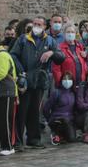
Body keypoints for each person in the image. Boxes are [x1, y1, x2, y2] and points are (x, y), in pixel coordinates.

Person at [11, 16, 65, 149]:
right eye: (35, 24)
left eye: (39, 24)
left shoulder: (49, 40)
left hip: (40, 80)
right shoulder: (23, 39)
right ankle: (17, 141)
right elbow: (13, 55)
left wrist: (51, 53)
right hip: (25, 79)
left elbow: (61, 57)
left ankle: (34, 138)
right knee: (21, 111)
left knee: (35, 111)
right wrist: (21, 71)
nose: (36, 26)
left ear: (45, 27)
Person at [43, 72, 77, 145]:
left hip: (69, 120)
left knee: (72, 139)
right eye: (65, 79)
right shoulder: (56, 93)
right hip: (58, 119)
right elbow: (46, 108)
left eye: (69, 79)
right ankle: (55, 133)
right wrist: (49, 119)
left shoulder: (73, 93)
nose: (67, 81)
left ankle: (61, 135)